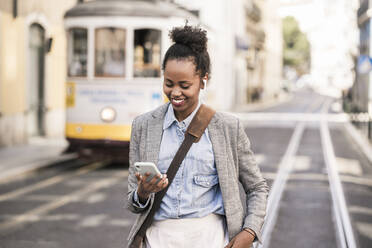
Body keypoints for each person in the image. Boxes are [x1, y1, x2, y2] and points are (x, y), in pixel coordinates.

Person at [127, 24, 268, 248]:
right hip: (158, 240)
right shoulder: (143, 126)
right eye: (168, 83)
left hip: (211, 239)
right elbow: (134, 203)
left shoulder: (227, 127)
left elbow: (257, 188)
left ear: (203, 80)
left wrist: (250, 231)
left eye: (184, 85)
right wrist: (142, 193)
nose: (175, 93)